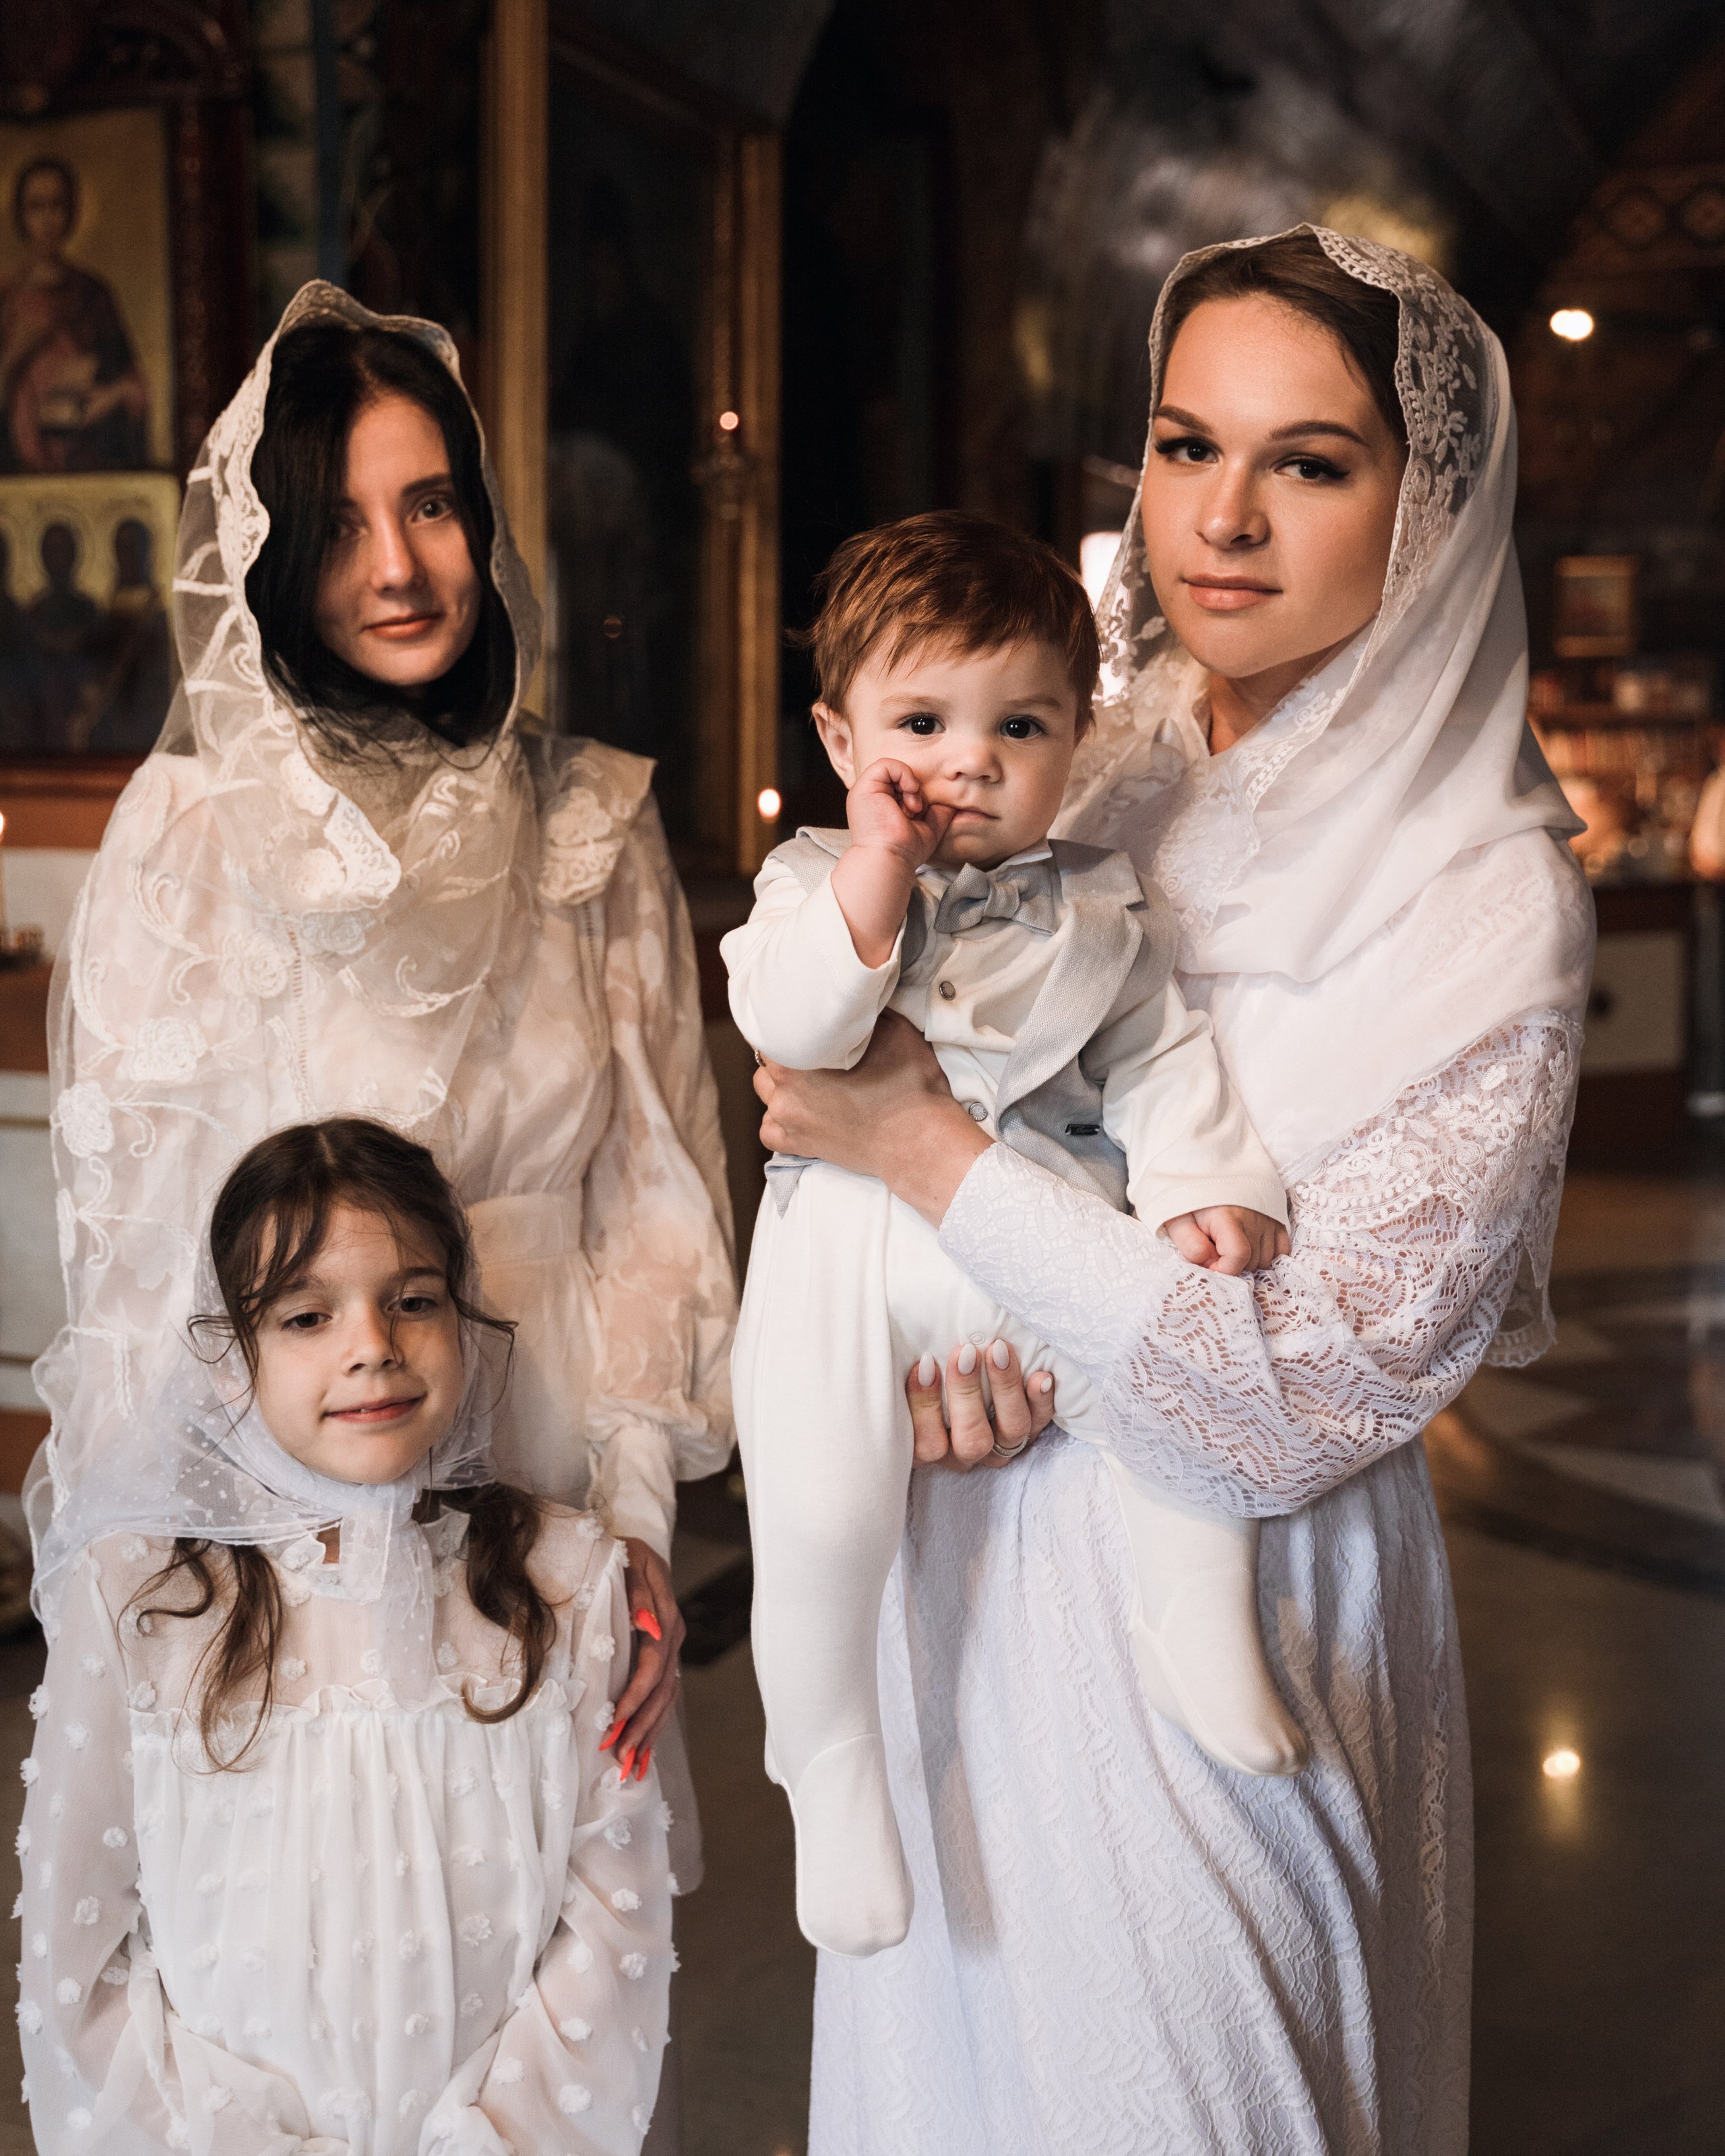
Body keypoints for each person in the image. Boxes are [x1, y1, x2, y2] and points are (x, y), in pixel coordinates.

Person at [755, 228, 1594, 2151]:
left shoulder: (1489, 902)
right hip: (965, 1584)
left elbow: (1298, 1395)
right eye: (1183, 443)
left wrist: (931, 1163)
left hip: (1242, 1619)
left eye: (1310, 461)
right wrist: (909, 1339)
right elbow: (845, 1061)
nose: (1222, 516)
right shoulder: (1083, 754)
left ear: (1432, 510)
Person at [31, 286, 736, 2075]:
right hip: (272, 1533)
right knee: (297, 1978)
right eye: (340, 520)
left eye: (433, 505)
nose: (400, 562)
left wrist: (635, 1528)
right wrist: (149, 1589)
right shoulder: (178, 837)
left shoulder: (589, 828)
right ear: (267, 549)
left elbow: (657, 1198)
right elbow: (130, 1250)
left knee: (531, 1965)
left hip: (543, 1486)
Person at [724, 512, 1296, 1959]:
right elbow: (794, 1026)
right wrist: (869, 872)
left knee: (1162, 1394)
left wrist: (1196, 1189)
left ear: (1075, 736)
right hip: (845, 1255)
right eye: (921, 721)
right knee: (817, 1514)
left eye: (1019, 723)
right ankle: (828, 1760)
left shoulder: (1098, 903)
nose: (969, 760)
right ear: (837, 735)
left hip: (1032, 1219)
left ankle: (1194, 1618)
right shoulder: (804, 887)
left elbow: (1163, 1056)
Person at [19, 1117, 674, 2153]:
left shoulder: (569, 1579)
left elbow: (615, 1924)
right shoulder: (139, 1598)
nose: (372, 1345)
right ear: (232, 1360)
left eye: (413, 1302)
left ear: (464, 1321)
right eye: (306, 1317)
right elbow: (75, 1957)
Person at [0, 156, 149, 473]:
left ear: (71, 212)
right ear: (21, 216)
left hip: (85, 455)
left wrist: (107, 398)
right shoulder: (6, 297)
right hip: (18, 462)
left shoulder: (93, 295)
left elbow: (131, 382)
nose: (47, 219)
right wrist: (15, 356)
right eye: (36, 207)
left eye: (57, 205)